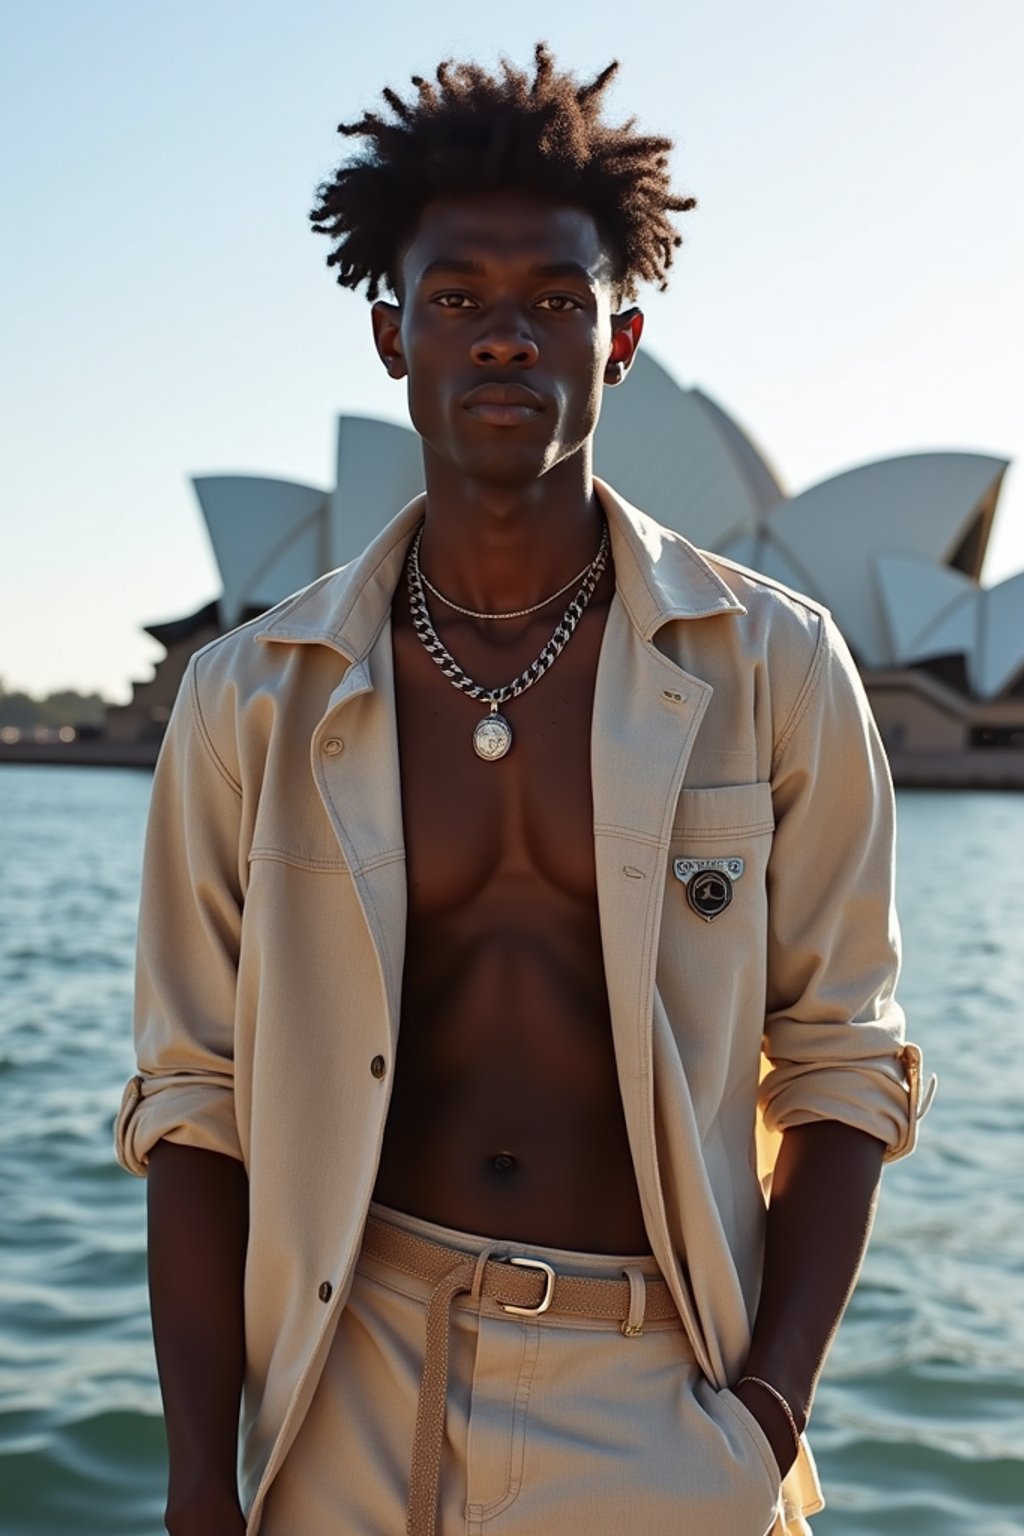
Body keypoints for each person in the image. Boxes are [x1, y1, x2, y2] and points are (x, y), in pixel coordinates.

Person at [116, 44, 932, 1536]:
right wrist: (195, 1485)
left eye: (556, 300)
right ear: (390, 335)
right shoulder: (246, 698)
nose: (506, 337)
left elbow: (842, 1062)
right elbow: (194, 1103)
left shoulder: (780, 666)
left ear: (621, 343)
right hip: (340, 1380)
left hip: (660, 1398)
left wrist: (762, 1420)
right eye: (458, 300)